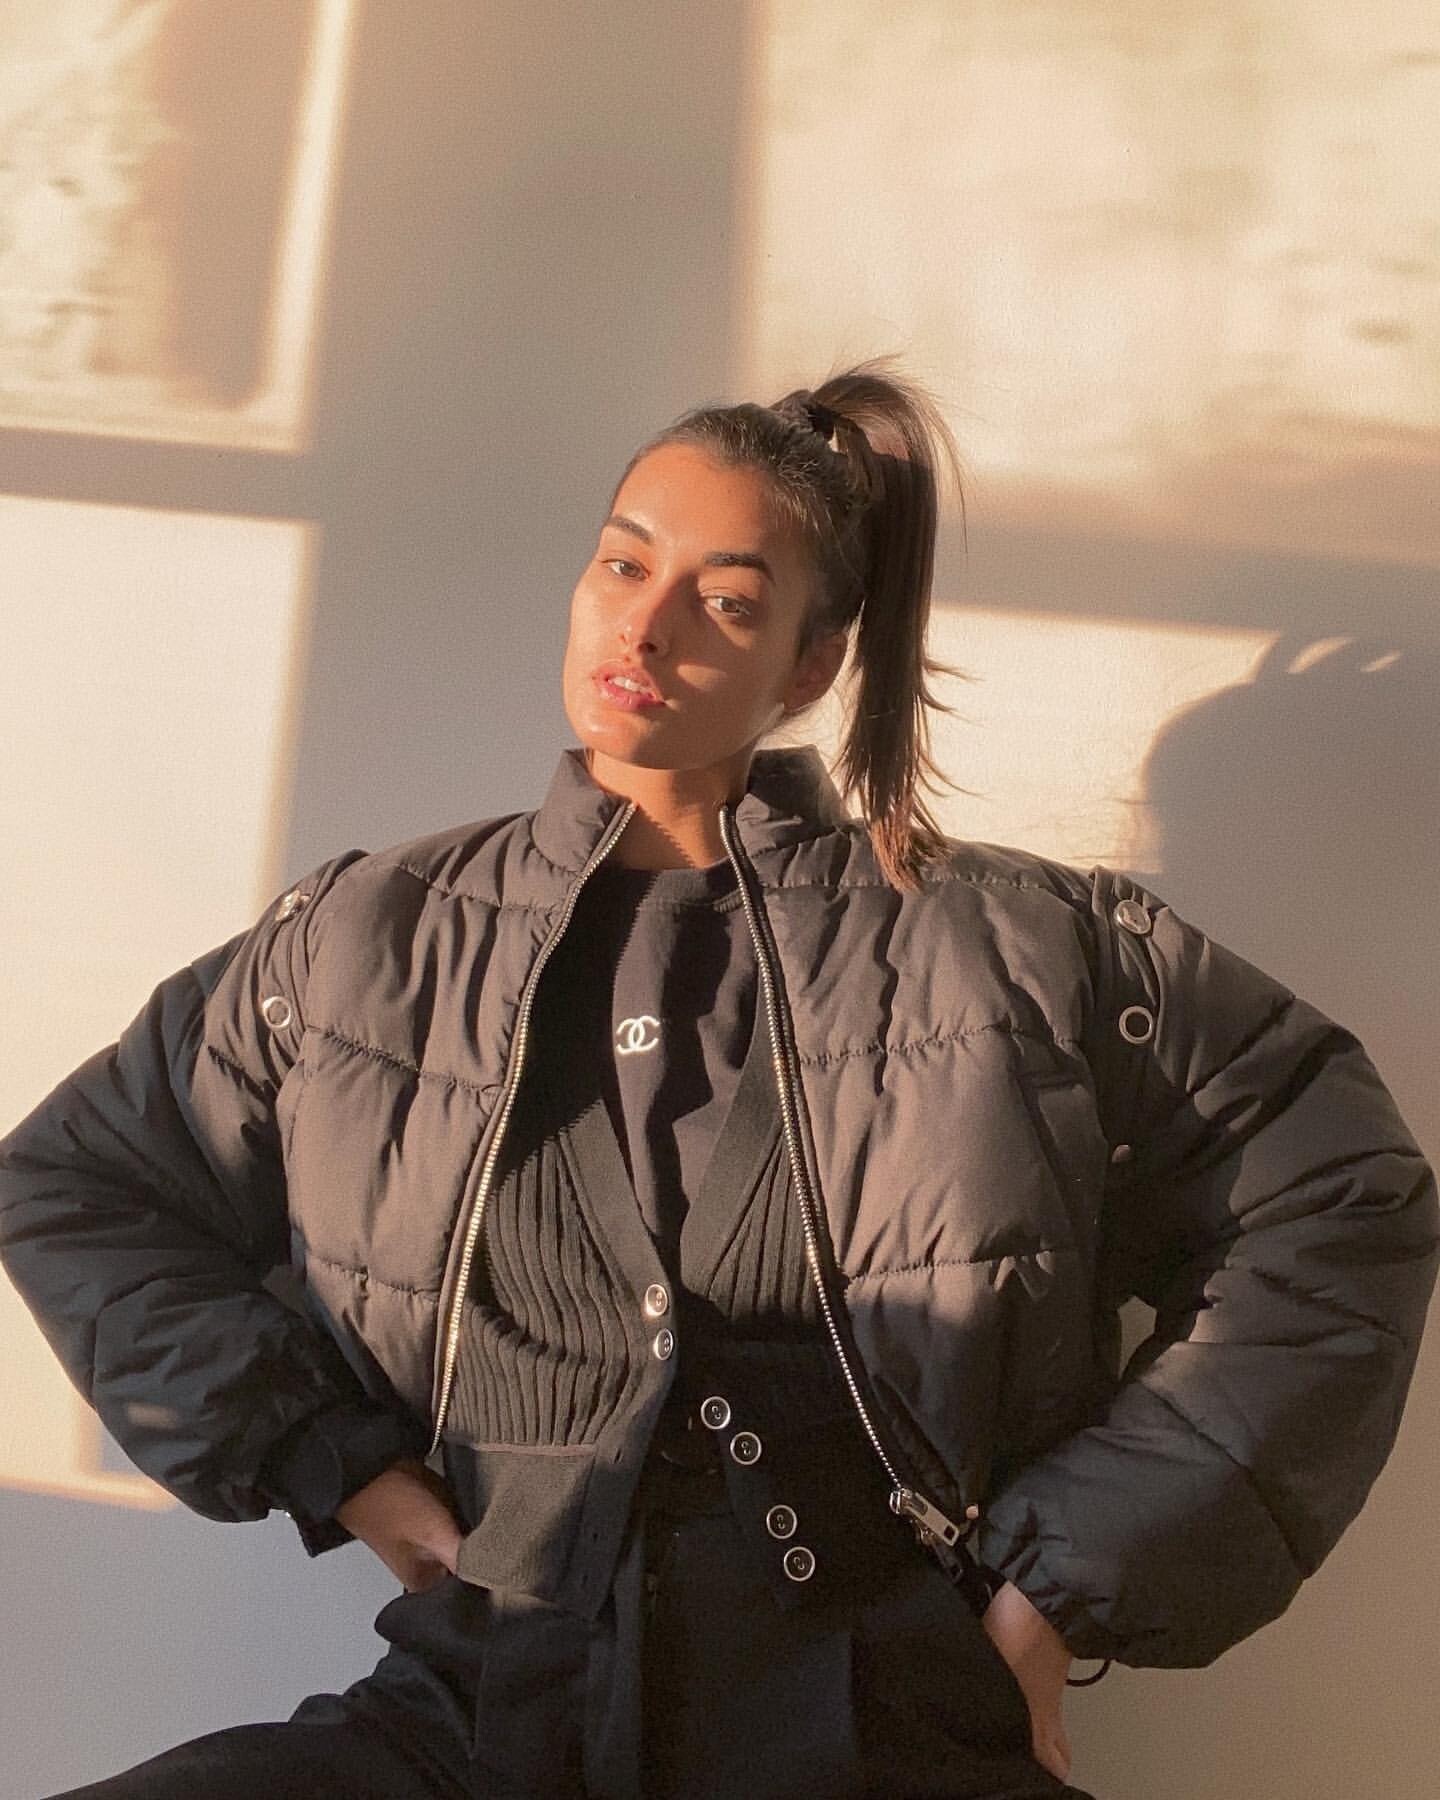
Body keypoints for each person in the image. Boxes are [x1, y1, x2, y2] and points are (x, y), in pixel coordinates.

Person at [1, 362, 1434, 1800]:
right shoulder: (368, 940)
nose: (647, 623)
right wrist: (327, 1454)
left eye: (729, 601)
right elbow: (75, 1182)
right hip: (480, 1715)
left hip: (880, 1727)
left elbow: (1339, 1199)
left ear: (808, 668)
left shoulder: (1019, 949)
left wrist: (1061, 1582)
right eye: (624, 563)